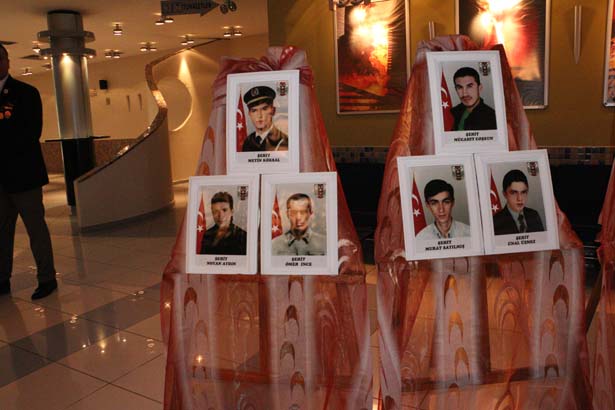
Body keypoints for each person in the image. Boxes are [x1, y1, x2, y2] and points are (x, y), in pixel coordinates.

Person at [0, 44, 57, 299]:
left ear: (7, 61)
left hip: (24, 178)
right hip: (0, 181)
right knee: (2, 233)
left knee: (36, 230)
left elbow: (31, 133)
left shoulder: (26, 93)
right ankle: (2, 279)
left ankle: (47, 278)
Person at [493, 169, 545, 235]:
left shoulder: (534, 215)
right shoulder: (495, 222)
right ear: (505, 194)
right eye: (513, 193)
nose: (519, 199)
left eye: (523, 192)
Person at [241, 85, 288, 152]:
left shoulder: (284, 141)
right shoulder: (248, 141)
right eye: (254, 110)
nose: (259, 115)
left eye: (264, 109)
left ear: (273, 110)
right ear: (249, 114)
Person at [450, 67, 497, 131]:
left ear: (479, 88)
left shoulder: (492, 117)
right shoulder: (452, 113)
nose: (465, 94)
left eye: (469, 86)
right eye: (460, 87)